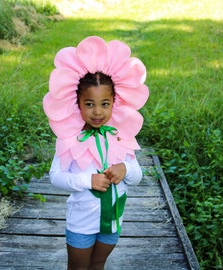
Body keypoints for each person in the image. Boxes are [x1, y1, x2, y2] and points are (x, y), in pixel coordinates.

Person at [43, 36, 149, 270]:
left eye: (105, 104)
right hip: (81, 223)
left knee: (98, 265)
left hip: (112, 220)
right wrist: (87, 180)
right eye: (89, 104)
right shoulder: (70, 138)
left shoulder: (122, 136)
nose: (98, 112)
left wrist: (125, 169)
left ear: (115, 102)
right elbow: (55, 176)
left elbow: (138, 176)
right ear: (77, 103)